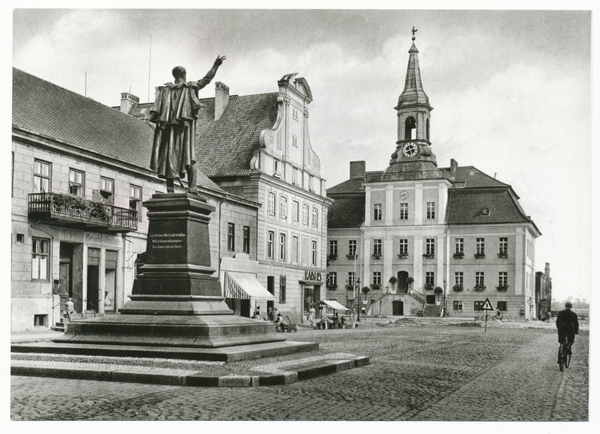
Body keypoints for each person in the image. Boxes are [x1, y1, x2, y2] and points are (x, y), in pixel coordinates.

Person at [149, 55, 226, 194]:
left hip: (169, 131)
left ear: (174, 76)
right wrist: (216, 65)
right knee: (189, 156)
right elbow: (206, 80)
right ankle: (192, 187)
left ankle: (170, 188)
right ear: (184, 75)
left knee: (169, 155)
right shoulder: (189, 87)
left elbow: (154, 113)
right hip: (184, 130)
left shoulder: (165, 90)